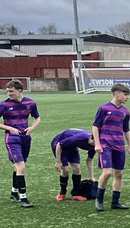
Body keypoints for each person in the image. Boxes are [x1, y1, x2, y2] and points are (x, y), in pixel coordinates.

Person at [90, 83, 130, 211]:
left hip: (119, 145)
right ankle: (99, 199)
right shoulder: (104, 108)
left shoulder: (126, 112)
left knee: (119, 174)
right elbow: (95, 127)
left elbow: (126, 130)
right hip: (105, 145)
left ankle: (115, 202)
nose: (128, 97)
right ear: (116, 93)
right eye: (125, 94)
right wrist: (97, 144)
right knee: (107, 172)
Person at [3, 79, 41, 208]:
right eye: (7, 91)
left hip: (25, 138)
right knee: (21, 166)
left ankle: (14, 192)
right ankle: (23, 198)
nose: (9, 94)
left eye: (11, 91)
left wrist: (32, 128)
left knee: (18, 167)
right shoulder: (4, 104)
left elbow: (38, 118)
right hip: (12, 139)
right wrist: (9, 128)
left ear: (19, 91)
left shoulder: (30, 102)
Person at [50, 128, 95, 201]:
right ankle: (62, 193)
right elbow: (59, 145)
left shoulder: (96, 146)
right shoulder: (79, 138)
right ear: (92, 138)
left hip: (71, 146)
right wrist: (58, 162)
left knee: (77, 168)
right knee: (65, 170)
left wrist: (91, 177)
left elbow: (89, 160)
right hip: (58, 144)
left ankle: (76, 193)